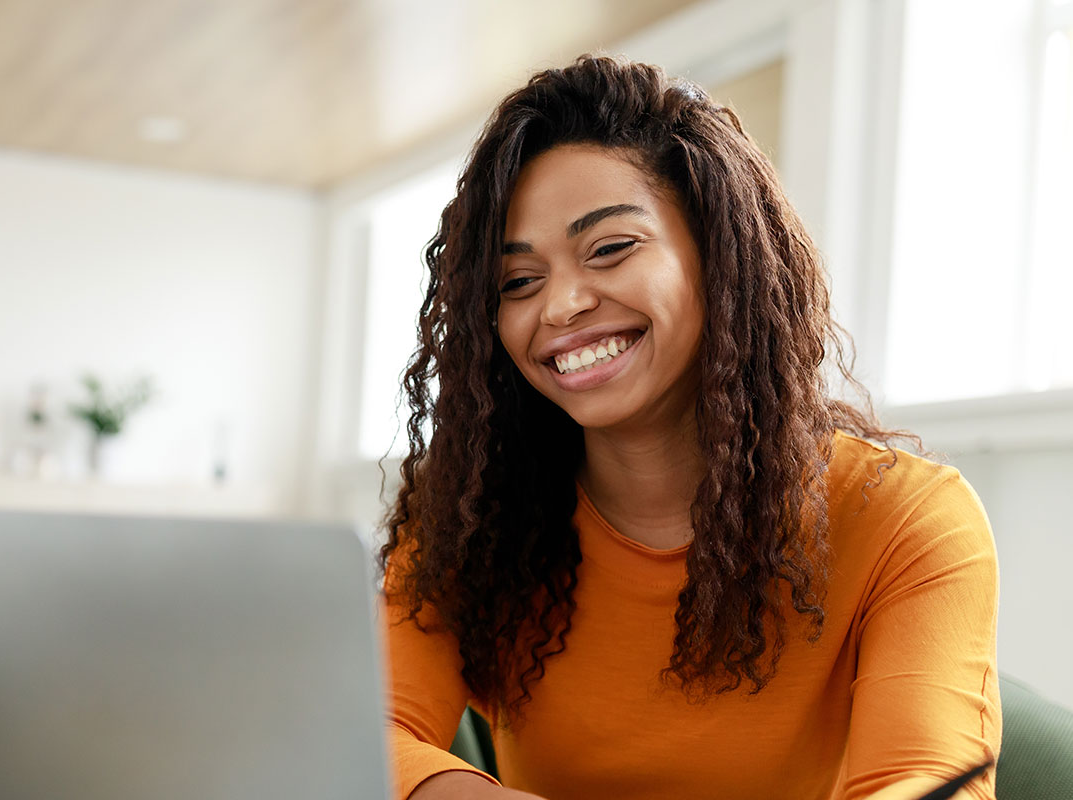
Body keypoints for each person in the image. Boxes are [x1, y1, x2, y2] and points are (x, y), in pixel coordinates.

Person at [379, 55, 1001, 800]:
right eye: (518, 282)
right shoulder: (468, 518)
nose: (561, 306)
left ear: (720, 256)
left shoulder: (909, 521)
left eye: (610, 248)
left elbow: (926, 778)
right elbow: (365, 739)